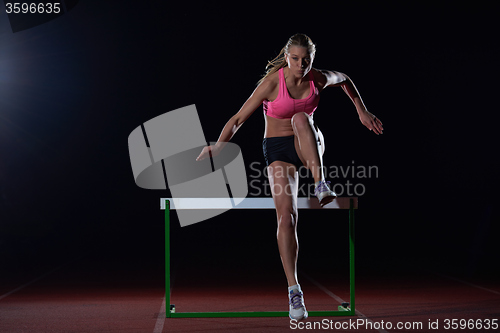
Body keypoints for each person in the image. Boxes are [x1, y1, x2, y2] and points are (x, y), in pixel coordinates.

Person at [196, 33, 383, 320]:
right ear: (286, 57)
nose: (300, 65)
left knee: (299, 118)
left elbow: (344, 78)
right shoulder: (272, 84)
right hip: (278, 148)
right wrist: (219, 146)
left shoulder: (317, 78)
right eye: (295, 59)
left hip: (309, 142)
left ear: (312, 59)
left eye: (306, 60)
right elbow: (237, 119)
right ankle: (294, 291)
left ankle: (321, 182)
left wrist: (362, 110)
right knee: (286, 216)